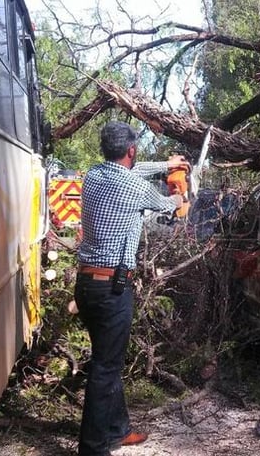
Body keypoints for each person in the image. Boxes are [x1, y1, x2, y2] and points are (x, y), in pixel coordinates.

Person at [74, 121, 187, 455]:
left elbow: (134, 169)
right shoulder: (135, 188)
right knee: (105, 368)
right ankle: (93, 448)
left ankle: (118, 428)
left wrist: (169, 166)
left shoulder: (93, 176)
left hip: (86, 285)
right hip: (112, 288)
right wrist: (181, 192)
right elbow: (170, 205)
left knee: (107, 359)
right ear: (132, 150)